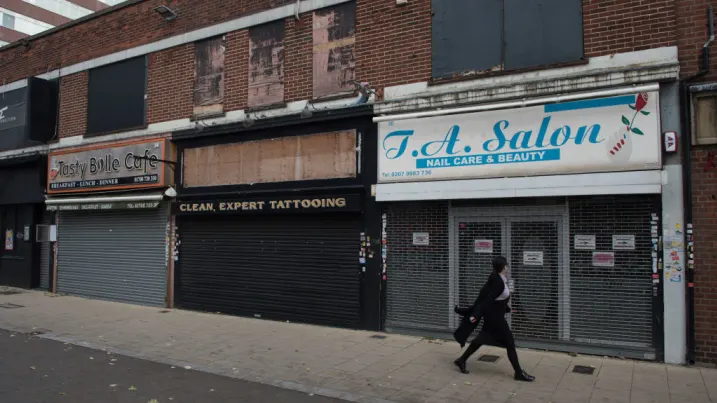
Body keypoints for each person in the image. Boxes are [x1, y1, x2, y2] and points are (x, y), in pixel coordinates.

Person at [452, 256, 535, 382]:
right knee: (510, 342)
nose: (507, 266)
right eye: (506, 264)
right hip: (495, 318)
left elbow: (497, 299)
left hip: (495, 315)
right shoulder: (498, 281)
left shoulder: (498, 277)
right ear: (503, 267)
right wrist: (475, 314)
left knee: (481, 339)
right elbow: (487, 300)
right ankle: (518, 373)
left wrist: (506, 308)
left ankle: (461, 360)